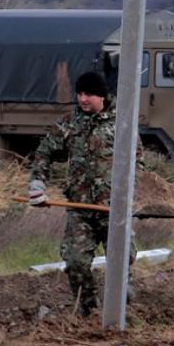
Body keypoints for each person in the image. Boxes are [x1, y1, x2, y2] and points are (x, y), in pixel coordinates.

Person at [28, 71, 136, 317]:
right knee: (75, 262)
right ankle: (89, 311)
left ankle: (120, 303)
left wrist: (130, 196)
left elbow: (136, 162)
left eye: (89, 94)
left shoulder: (121, 124)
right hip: (80, 209)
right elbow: (44, 153)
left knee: (122, 260)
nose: (83, 99)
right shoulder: (69, 125)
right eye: (80, 94)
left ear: (102, 97)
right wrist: (37, 183)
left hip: (113, 209)